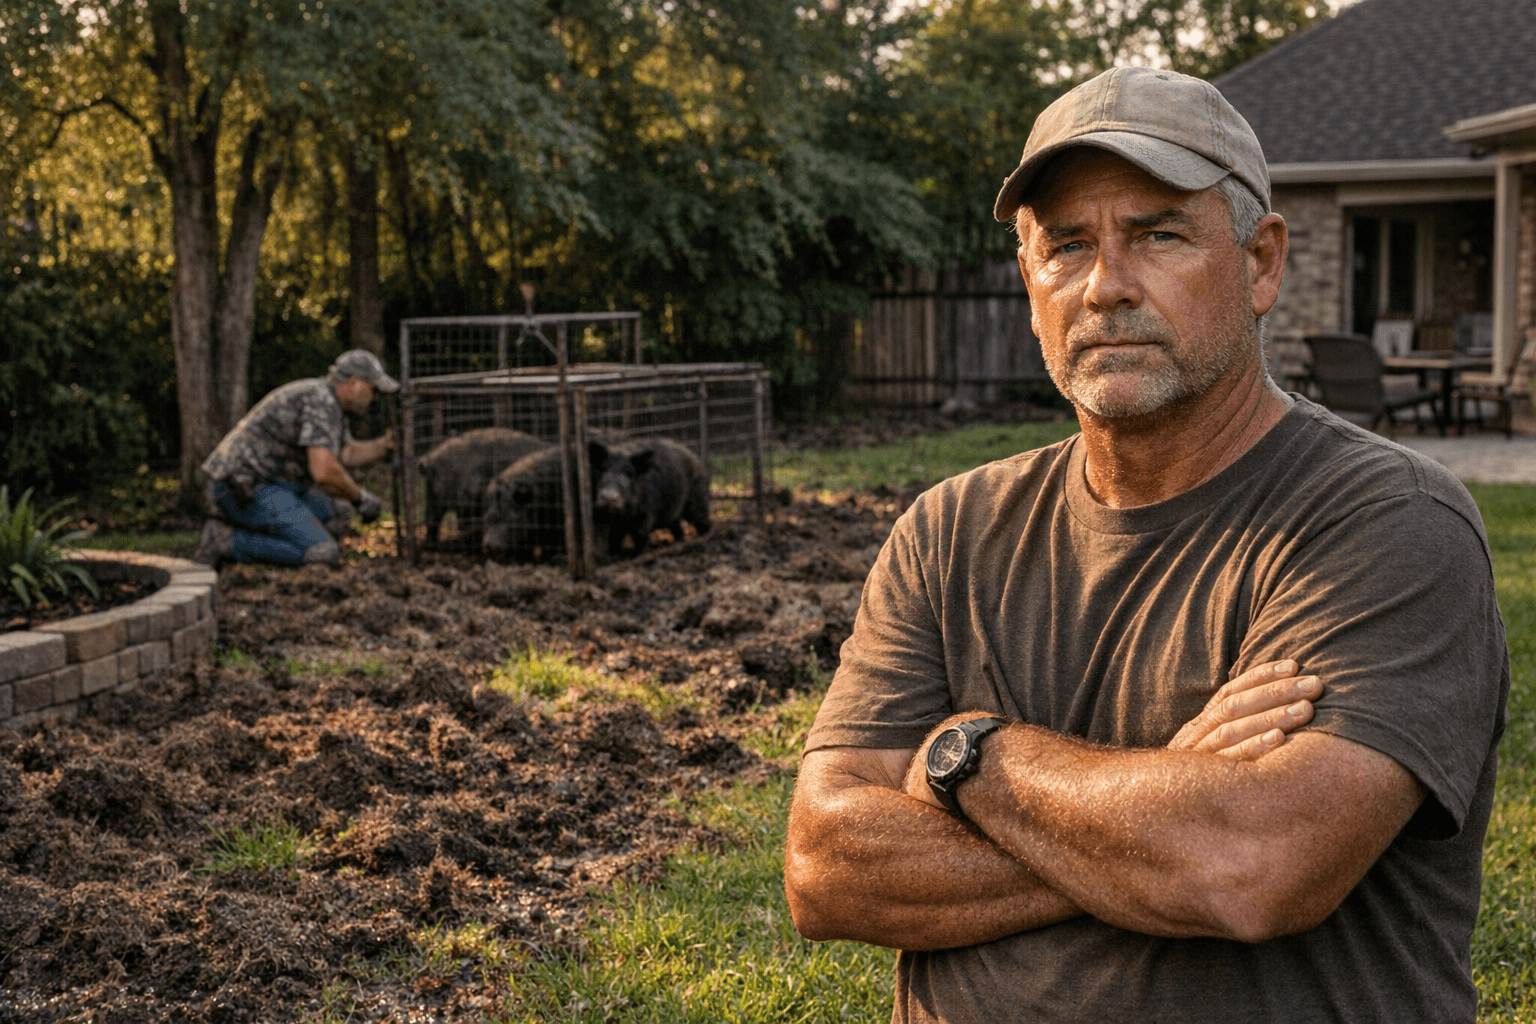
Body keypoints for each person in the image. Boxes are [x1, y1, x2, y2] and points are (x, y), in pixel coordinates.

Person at [784, 66, 1508, 1023]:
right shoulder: (949, 530)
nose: (1107, 288)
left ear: (1260, 263)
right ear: (1029, 280)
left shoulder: (1388, 524)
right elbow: (826, 870)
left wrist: (969, 759)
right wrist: (1167, 795)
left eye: (1159, 234)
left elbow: (1250, 866)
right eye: (1067, 246)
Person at [194, 349, 398, 568]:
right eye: (373, 390)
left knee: (339, 513)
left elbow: (344, 453)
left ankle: (285, 538)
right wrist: (361, 498)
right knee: (324, 553)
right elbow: (324, 472)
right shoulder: (321, 401)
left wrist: (384, 446)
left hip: (273, 484)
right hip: (243, 487)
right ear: (355, 384)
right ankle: (226, 541)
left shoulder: (328, 402)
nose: (375, 398)